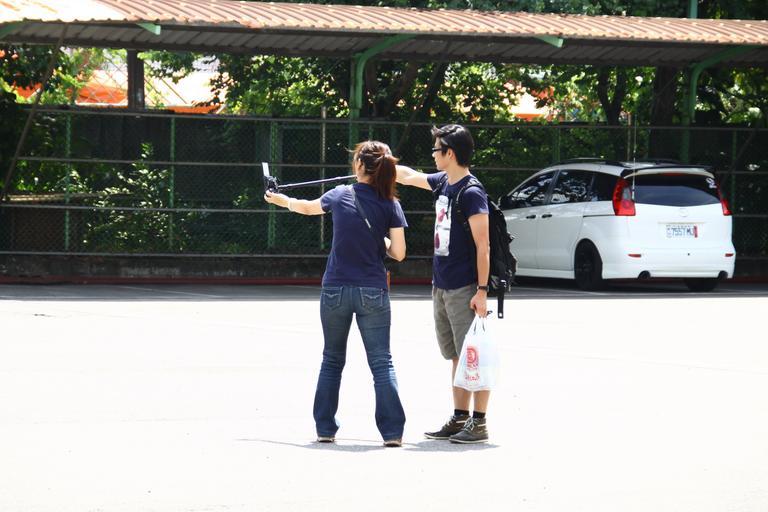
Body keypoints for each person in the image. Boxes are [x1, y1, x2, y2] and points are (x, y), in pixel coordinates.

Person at [264, 140, 408, 447]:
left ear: (360, 165)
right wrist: (380, 240)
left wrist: (280, 200)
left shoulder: (339, 194)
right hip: (373, 291)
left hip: (335, 289)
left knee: (331, 360)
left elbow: (306, 208)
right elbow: (398, 253)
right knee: (381, 362)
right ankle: (392, 433)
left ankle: (325, 428)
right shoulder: (390, 203)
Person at [395, 124, 492, 444]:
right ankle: (460, 416)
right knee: (456, 356)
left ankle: (479, 422)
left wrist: (481, 291)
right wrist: (381, 163)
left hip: (465, 287)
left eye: (436, 150)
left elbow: (483, 246)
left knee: (473, 355)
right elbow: (408, 176)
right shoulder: (442, 182)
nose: (433, 155)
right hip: (442, 285)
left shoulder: (471, 192)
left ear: (450, 153)